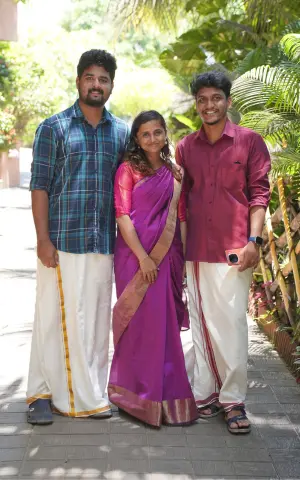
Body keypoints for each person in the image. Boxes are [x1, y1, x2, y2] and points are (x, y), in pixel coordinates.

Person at [26, 49, 129, 424]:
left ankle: (91, 390)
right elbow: (40, 187)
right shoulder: (53, 128)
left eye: (103, 79)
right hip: (61, 240)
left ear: (111, 85)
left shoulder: (121, 131)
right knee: (52, 316)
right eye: (90, 77)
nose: (96, 84)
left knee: (96, 320)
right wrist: (42, 239)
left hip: (102, 241)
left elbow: (130, 185)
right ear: (78, 82)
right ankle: (42, 393)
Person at [176, 71, 271, 434]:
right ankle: (206, 393)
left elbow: (259, 195)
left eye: (216, 98)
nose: (209, 105)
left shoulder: (250, 142)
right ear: (196, 104)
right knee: (201, 325)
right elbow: (181, 200)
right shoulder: (186, 147)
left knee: (230, 325)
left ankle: (233, 400)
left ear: (228, 101)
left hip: (235, 248)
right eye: (202, 99)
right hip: (196, 248)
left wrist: (254, 241)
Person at [108, 110, 198, 427]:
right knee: (139, 326)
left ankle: (169, 398)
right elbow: (122, 216)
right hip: (135, 259)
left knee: (165, 328)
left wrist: (183, 260)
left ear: (165, 134)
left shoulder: (175, 173)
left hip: (168, 256)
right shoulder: (128, 170)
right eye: (145, 134)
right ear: (136, 138)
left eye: (157, 132)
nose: (152, 139)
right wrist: (144, 257)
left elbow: (182, 217)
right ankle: (134, 396)